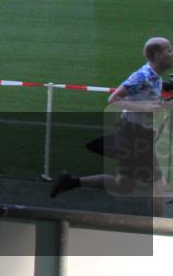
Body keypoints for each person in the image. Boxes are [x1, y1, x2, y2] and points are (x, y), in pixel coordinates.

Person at [50, 37, 173, 213]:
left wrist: (163, 104)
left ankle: (71, 181)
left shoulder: (156, 77)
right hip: (134, 135)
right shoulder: (142, 76)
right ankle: (158, 230)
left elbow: (151, 104)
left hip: (136, 133)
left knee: (122, 185)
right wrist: (144, 107)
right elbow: (113, 99)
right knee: (158, 183)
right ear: (158, 55)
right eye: (170, 50)